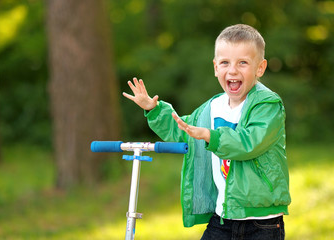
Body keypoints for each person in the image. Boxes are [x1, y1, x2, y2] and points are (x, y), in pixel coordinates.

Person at [123, 24, 291, 239]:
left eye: (242, 63)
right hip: (222, 218)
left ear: (260, 67)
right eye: (225, 63)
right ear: (215, 67)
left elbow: (249, 142)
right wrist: (154, 110)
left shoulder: (267, 105)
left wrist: (211, 136)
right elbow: (185, 131)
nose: (232, 70)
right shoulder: (212, 107)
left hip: (262, 222)